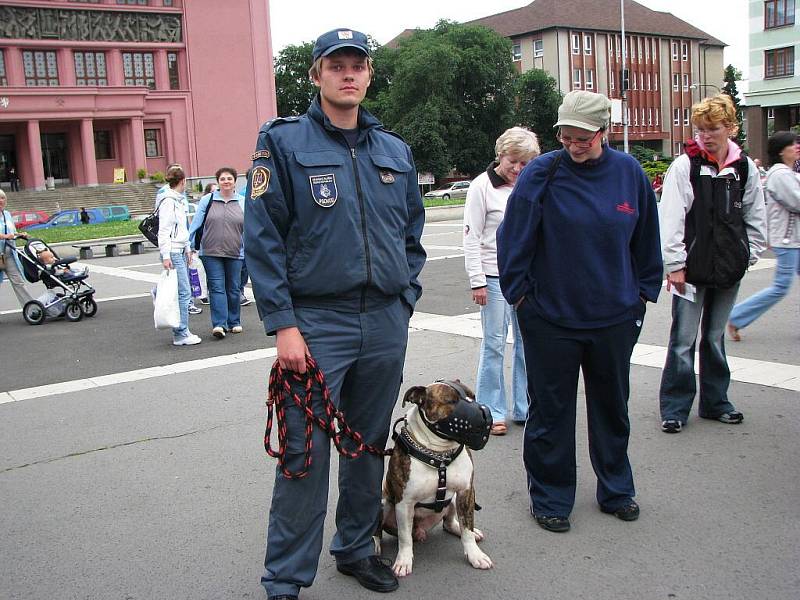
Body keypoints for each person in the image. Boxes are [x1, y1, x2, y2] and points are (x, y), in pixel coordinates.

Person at [244, 28, 425, 600]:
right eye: (336, 64)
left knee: (368, 446)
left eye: (358, 65)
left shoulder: (393, 150)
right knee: (304, 453)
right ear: (317, 73)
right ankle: (286, 579)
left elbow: (411, 234)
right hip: (317, 322)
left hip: (384, 321)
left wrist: (405, 298)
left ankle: (354, 550)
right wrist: (284, 325)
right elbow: (263, 239)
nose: (348, 74)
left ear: (369, 75)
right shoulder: (284, 142)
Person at [497, 90, 662, 533]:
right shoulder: (542, 173)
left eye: (583, 138)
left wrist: (643, 294)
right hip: (550, 318)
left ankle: (616, 489)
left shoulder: (629, 173)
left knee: (613, 407)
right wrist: (520, 297)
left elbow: (646, 238)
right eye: (566, 136)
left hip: (614, 316)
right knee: (550, 412)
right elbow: (513, 238)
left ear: (603, 132)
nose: (573, 145)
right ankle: (550, 497)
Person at [658, 94, 767, 434]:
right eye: (700, 129)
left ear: (730, 128)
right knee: (683, 339)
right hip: (690, 269)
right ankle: (675, 407)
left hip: (728, 269)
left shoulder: (743, 167)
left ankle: (716, 401)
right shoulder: (686, 165)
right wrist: (674, 264)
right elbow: (672, 217)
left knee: (715, 336)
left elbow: (754, 215)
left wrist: (747, 254)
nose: (704, 136)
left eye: (712, 129)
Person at [463, 126, 539, 436]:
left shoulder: (529, 185)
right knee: (493, 344)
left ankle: (524, 406)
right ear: (501, 156)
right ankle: (490, 410)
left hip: (526, 278)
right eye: (513, 161)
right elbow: (471, 236)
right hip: (493, 277)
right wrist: (477, 281)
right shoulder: (481, 187)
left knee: (527, 344)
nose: (518, 169)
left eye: (525, 163)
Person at [727, 132, 799, 340]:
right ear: (780, 151)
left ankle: (737, 316)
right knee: (780, 287)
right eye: (791, 144)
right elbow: (796, 201)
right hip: (787, 240)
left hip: (794, 238)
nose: (796, 147)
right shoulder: (780, 175)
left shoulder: (789, 173)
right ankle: (737, 316)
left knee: (781, 286)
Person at [189, 167, 245, 339]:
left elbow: (250, 227)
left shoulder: (243, 201)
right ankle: (220, 324)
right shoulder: (208, 200)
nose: (226, 181)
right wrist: (190, 246)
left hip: (236, 251)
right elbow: (197, 223)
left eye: (229, 178)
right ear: (218, 182)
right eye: (222, 179)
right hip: (210, 251)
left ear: (235, 181)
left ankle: (234, 321)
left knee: (234, 288)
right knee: (217, 287)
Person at [157, 165, 201, 346]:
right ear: (182, 181)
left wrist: (188, 247)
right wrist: (166, 255)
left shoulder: (176, 200)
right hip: (174, 251)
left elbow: (181, 228)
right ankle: (181, 332)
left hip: (178, 249)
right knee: (184, 292)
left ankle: (182, 330)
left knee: (182, 291)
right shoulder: (170, 201)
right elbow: (164, 229)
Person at [0, 189, 34, 312]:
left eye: (2, 198)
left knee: (18, 282)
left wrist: (19, 235)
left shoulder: (7, 214)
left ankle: (31, 309)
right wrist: (4, 236)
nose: (0, 201)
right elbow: (5, 235)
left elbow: (11, 232)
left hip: (9, 254)